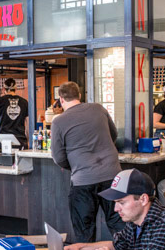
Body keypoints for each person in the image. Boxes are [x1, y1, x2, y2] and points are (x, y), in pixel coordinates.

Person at [51, 81, 124, 241]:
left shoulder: (58, 121)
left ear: (61, 99)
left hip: (83, 181)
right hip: (112, 176)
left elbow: (58, 156)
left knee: (84, 229)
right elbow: (113, 134)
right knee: (118, 222)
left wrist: (76, 166)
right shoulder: (98, 109)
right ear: (79, 95)